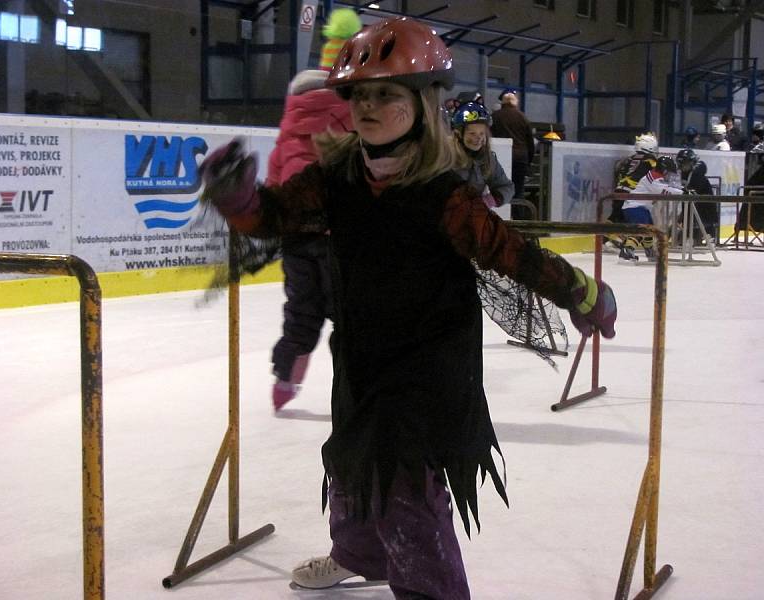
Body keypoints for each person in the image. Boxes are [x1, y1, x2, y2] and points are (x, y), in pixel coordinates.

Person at [198, 17, 617, 599]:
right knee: (351, 464)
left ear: (422, 104)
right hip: (364, 355)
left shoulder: (443, 194)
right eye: (361, 95)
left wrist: (583, 292)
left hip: (429, 368)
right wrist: (239, 198)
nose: (368, 106)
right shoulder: (338, 177)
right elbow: (273, 216)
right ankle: (361, 554)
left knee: (408, 495)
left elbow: (510, 252)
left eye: (386, 95)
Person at [266, 9, 360, 411]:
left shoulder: (290, 124)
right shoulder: (355, 114)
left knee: (302, 312)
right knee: (351, 316)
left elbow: (274, 178)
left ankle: (285, 379)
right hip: (339, 234)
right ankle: (355, 390)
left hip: (296, 236)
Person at [450, 101, 514, 207]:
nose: (478, 138)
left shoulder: (486, 158)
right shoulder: (445, 158)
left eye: (482, 133)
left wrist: (488, 201)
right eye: (472, 133)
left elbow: (506, 186)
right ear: (458, 134)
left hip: (472, 217)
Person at [619, 155, 683, 262]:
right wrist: (682, 192)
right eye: (669, 172)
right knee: (642, 229)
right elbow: (662, 190)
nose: (669, 175)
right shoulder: (652, 177)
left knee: (650, 230)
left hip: (640, 208)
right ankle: (627, 251)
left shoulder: (657, 177)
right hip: (634, 207)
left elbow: (667, 187)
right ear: (664, 169)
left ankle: (649, 251)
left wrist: (681, 189)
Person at [490, 88, 536, 219]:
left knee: (499, 188)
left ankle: (501, 218)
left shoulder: (495, 117)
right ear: (515, 102)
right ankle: (519, 221)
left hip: (501, 157)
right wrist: (528, 162)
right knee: (518, 191)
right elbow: (530, 143)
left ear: (502, 102)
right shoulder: (522, 117)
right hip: (520, 158)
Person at [676, 148, 718, 240]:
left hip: (704, 204)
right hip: (691, 203)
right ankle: (690, 235)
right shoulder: (682, 172)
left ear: (692, 162)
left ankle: (706, 235)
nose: (683, 166)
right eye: (681, 163)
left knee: (703, 222)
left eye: (685, 163)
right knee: (688, 220)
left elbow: (701, 167)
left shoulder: (697, 172)